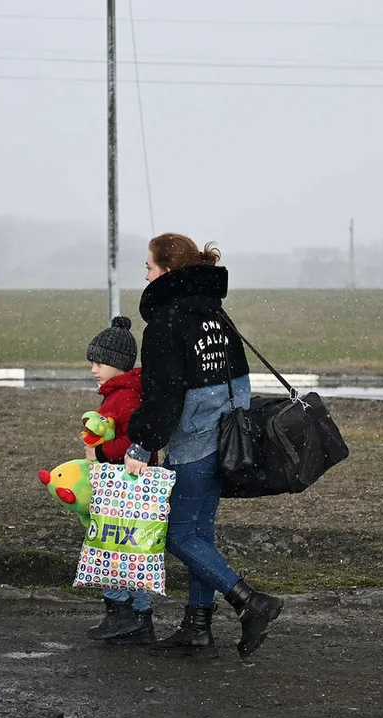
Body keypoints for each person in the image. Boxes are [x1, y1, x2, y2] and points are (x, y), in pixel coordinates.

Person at [122, 233, 284, 660]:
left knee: (177, 536)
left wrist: (141, 445)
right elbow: (240, 381)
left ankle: (250, 601)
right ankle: (197, 626)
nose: (145, 274)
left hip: (194, 445)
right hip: (229, 441)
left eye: (150, 267)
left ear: (168, 273)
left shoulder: (165, 324)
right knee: (200, 535)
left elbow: (165, 396)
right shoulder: (215, 314)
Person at [79, 316, 161, 644]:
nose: (94, 369)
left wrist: (97, 452)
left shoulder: (124, 398)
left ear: (118, 365)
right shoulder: (122, 393)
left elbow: (133, 443)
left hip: (125, 487)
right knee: (129, 555)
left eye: (99, 363)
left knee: (111, 552)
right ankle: (139, 619)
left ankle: (122, 613)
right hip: (129, 488)